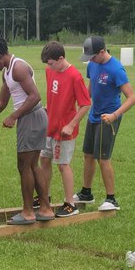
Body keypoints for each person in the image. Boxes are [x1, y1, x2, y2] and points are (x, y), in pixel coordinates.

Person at [0, 36, 55, 225]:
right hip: (29, 118)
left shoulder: (18, 68)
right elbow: (0, 103)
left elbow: (35, 96)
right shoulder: (7, 72)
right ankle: (45, 209)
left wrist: (14, 116)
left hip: (32, 117)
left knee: (24, 166)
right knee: (32, 165)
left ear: (0, 55)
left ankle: (29, 212)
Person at [75, 36, 135, 212]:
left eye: (93, 56)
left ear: (102, 52)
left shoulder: (116, 69)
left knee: (103, 158)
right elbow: (91, 87)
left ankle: (112, 199)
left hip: (108, 118)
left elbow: (132, 98)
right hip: (94, 116)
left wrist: (114, 115)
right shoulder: (93, 65)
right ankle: (86, 193)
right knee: (87, 154)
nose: (90, 60)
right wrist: (83, 103)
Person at [39, 41, 92, 217]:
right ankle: (44, 197)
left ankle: (70, 204)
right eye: (47, 64)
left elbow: (85, 105)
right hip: (50, 126)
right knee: (44, 160)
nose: (49, 66)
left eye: (51, 63)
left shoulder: (75, 76)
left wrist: (71, 125)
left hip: (64, 131)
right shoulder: (49, 71)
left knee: (63, 165)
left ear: (61, 58)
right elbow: (53, 94)